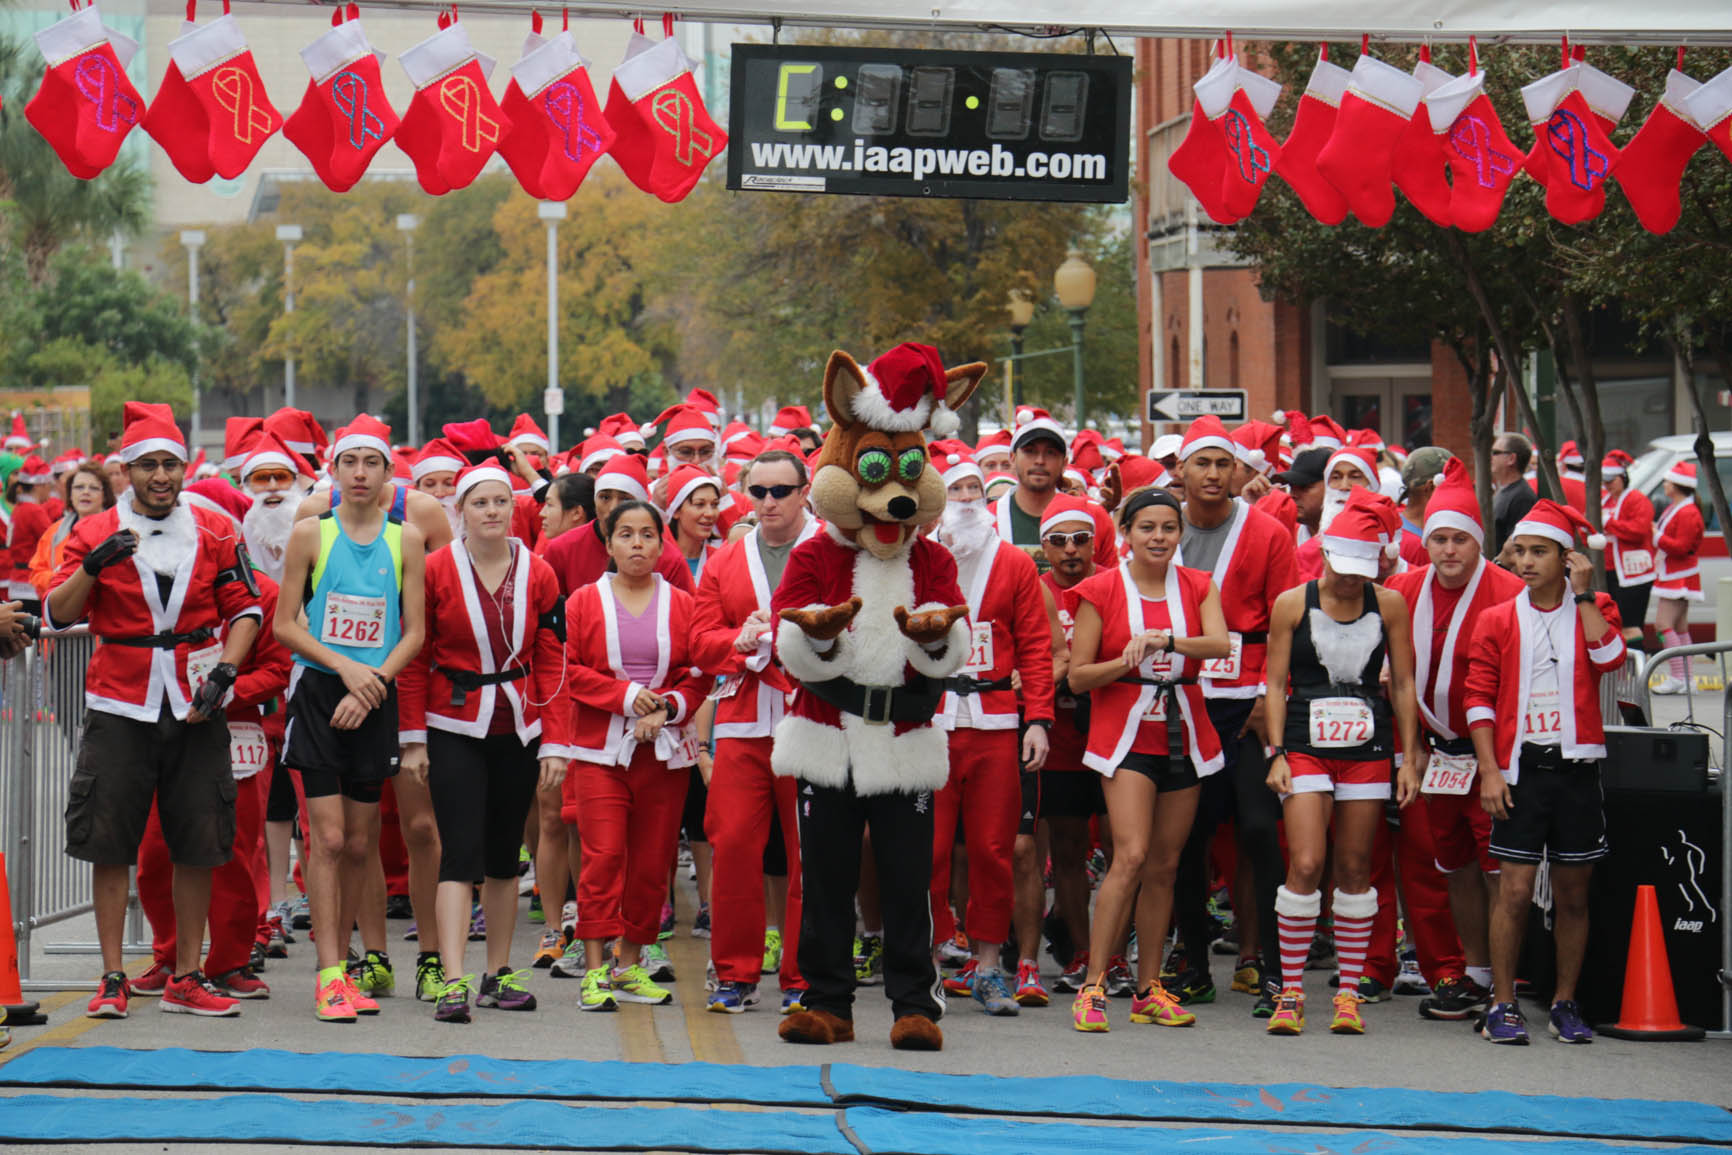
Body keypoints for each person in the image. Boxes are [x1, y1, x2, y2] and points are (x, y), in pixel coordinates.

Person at [46, 402, 263, 1020]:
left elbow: (245, 609)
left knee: (198, 840)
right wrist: (93, 567)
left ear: (184, 467)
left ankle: (187, 975)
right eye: (148, 465)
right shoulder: (92, 531)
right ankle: (113, 975)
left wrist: (226, 671)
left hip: (196, 701)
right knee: (110, 841)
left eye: (171, 463)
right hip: (119, 700)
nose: (161, 475)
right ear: (127, 470)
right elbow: (58, 614)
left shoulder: (216, 529)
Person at [398, 464, 572, 1023]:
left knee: (504, 857)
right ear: (461, 510)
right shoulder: (433, 570)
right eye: (480, 503)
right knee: (460, 853)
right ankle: (454, 980)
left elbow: (551, 660)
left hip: (518, 726)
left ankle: (498, 973)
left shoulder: (540, 572)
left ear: (514, 509)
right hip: (454, 726)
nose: (492, 511)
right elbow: (414, 659)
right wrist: (413, 741)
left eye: (501, 502)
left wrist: (555, 742)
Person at [275, 416, 428, 1022]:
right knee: (330, 838)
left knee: (363, 842)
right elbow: (286, 623)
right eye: (349, 464)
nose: (360, 474)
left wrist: (373, 685)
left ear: (389, 475)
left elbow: (414, 632)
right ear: (333, 474)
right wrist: (347, 671)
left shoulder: (406, 539)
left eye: (372, 464)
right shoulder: (310, 534)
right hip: (320, 694)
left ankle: (355, 966)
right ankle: (329, 974)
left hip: (375, 696)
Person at [1066, 488, 1229, 1032]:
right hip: (1126, 733)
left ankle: (1148, 987)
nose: (1158, 537)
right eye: (1147, 528)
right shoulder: (1101, 588)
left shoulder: (1197, 585)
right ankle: (1092, 985)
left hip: (1185, 731)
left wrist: (1168, 641)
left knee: (1165, 863)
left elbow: (1220, 645)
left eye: (1168, 527)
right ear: (1127, 533)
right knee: (1130, 855)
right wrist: (1126, 658)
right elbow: (1078, 676)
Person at [1465, 500, 1625, 1045]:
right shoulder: (1497, 618)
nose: (1527, 561)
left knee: (1574, 894)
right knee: (1512, 890)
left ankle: (1564, 1002)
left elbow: (1611, 659)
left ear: (1568, 558)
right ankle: (1503, 1003)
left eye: (1540, 552)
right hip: (1520, 769)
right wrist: (1489, 770)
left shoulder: (1595, 605)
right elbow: (1478, 699)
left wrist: (1584, 595)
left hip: (1578, 769)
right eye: (1521, 551)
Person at [1263, 489, 1421, 1037]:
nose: (1352, 579)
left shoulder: (1391, 604)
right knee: (1306, 862)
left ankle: (1349, 992)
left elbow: (1402, 682)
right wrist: (1277, 751)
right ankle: (1290, 992)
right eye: (1343, 566)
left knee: (1356, 867)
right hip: (1305, 742)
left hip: (1368, 750)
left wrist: (1407, 756)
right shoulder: (1292, 603)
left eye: (1363, 569)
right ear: (1325, 553)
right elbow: (1276, 684)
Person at [1165, 415, 1299, 1016]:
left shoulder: (1268, 533)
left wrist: (1270, 700)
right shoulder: (1162, 528)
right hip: (1181, 699)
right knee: (1186, 838)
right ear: (1182, 471)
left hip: (1247, 704)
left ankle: (1272, 970)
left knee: (1255, 829)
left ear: (1239, 470)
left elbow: (1285, 624)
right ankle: (1194, 962)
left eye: (1224, 463)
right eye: (1202, 463)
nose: (1214, 474)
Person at [1386, 460, 1525, 1023]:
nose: (1448, 551)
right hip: (1438, 752)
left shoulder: (1509, 591)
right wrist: (1411, 748)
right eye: (1438, 538)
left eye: (1460, 540)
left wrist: (1498, 765)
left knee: (1499, 870)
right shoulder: (1402, 587)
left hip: (1493, 755)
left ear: (1479, 543)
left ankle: (1507, 986)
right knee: (1456, 866)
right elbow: (1395, 676)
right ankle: (1475, 973)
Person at [689, 449, 819, 1014]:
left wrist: (792, 637)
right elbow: (700, 640)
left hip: (812, 719)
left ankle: (803, 975)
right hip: (743, 720)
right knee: (734, 843)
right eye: (757, 491)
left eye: (780, 491)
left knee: (809, 853)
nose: (767, 502)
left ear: (804, 491)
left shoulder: (830, 550)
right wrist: (738, 643)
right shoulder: (725, 558)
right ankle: (735, 974)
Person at [928, 447, 1053, 1016]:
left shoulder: (1015, 564)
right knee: (926, 849)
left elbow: (1036, 645)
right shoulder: (920, 557)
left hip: (997, 721)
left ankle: (989, 966)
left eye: (974, 491)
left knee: (993, 850)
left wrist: (1039, 721)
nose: (965, 502)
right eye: (954, 492)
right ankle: (928, 957)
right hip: (930, 721)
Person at [564, 500, 702, 1011]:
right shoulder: (583, 601)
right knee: (604, 857)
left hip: (664, 756)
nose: (637, 544)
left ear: (662, 544)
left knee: (652, 862)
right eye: (626, 534)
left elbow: (698, 676)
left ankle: (631, 963)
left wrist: (667, 706)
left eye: (647, 534)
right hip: (602, 753)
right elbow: (570, 671)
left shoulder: (683, 604)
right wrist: (625, 697)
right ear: (609, 544)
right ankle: (594, 967)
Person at [1035, 495, 1107, 996]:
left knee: (1130, 852)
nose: (1071, 550)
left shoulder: (1114, 585)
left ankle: (1116, 954)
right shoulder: (1032, 591)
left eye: (1081, 538)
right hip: (1059, 742)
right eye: (1059, 541)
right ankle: (1081, 951)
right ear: (1044, 548)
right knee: (1067, 850)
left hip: (1113, 735)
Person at [542, 455, 695, 597]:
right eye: (605, 497)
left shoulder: (670, 560)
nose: (612, 507)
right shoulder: (561, 550)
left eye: (625, 499)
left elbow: (688, 617)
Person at [993, 408, 1118, 572]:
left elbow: (1111, 586)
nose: (1040, 461)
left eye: (1051, 453)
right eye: (1029, 451)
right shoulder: (989, 520)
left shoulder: (1094, 517)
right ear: (1012, 457)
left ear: (1065, 463)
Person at [1651, 462, 1703, 695]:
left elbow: (1681, 547)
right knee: (1680, 628)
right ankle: (1686, 678)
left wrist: (1657, 535)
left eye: (1667, 481)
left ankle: (1678, 677)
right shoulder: (1677, 508)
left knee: (1663, 625)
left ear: (1678, 485)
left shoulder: (1688, 512)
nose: (1665, 485)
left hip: (1679, 576)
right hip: (1674, 574)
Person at [29, 462, 113, 599]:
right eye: (79, 487)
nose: (86, 492)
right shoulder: (55, 532)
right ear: (70, 494)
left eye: (94, 488)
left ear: (105, 495)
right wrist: (60, 578)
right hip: (61, 609)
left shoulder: (115, 529)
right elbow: (36, 574)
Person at [1599, 450, 1654, 657]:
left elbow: (1639, 531)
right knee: (1614, 624)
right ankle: (1623, 673)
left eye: (1610, 480)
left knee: (1630, 625)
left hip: (1633, 575)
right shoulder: (1605, 501)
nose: (1607, 485)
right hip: (1611, 572)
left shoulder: (1637, 500)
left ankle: (1635, 672)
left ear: (1622, 477)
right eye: (1604, 481)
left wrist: (1610, 524)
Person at [7, 455, 55, 613]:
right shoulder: (34, 511)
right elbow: (52, 542)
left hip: (16, 582)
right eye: (48, 484)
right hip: (30, 585)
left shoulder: (18, 509)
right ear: (38, 486)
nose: (50, 488)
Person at [667, 465, 723, 581]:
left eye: (714, 505)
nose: (710, 513)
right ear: (676, 510)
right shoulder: (660, 560)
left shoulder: (720, 559)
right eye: (699, 504)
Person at [1269, 448, 1331, 545]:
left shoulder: (1353, 537)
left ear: (1332, 487)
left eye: (1304, 487)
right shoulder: (1285, 535)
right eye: (1291, 487)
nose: (1293, 495)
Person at [1490, 434, 1538, 556]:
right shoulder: (1503, 491)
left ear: (1511, 459)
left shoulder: (1522, 497)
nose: (1490, 457)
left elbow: (1517, 547)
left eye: (1495, 452)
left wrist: (1498, 565)